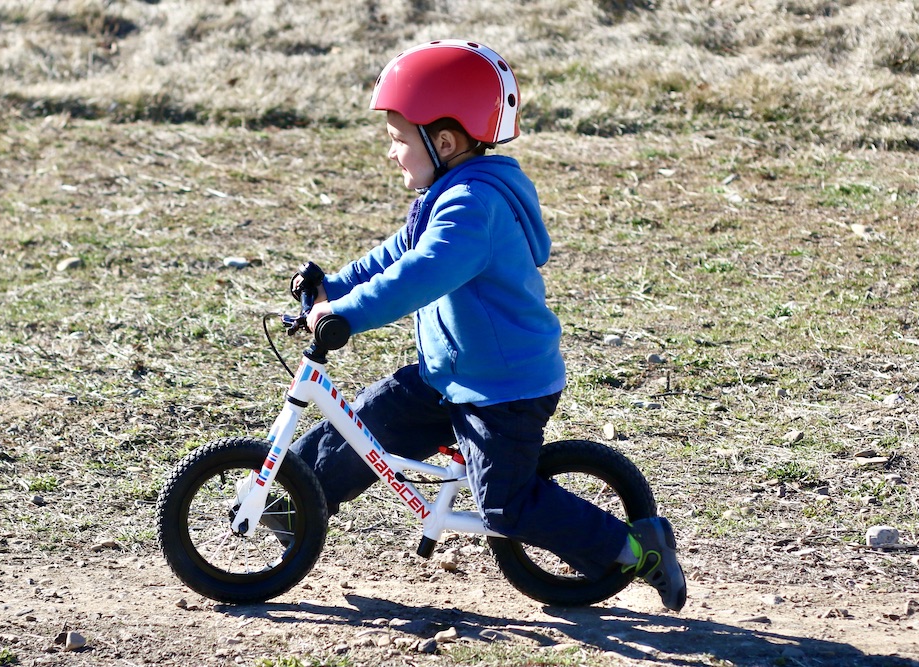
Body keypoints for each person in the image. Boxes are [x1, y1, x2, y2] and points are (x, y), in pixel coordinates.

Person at [289, 39, 687, 612]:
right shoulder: (446, 191)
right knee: (369, 423)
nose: (394, 152)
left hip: (503, 388)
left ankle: (634, 548)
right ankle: (292, 506)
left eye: (400, 140)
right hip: (450, 372)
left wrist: (347, 316)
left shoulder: (473, 207)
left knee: (504, 507)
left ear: (443, 141)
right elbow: (394, 256)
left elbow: (420, 274)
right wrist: (332, 290)